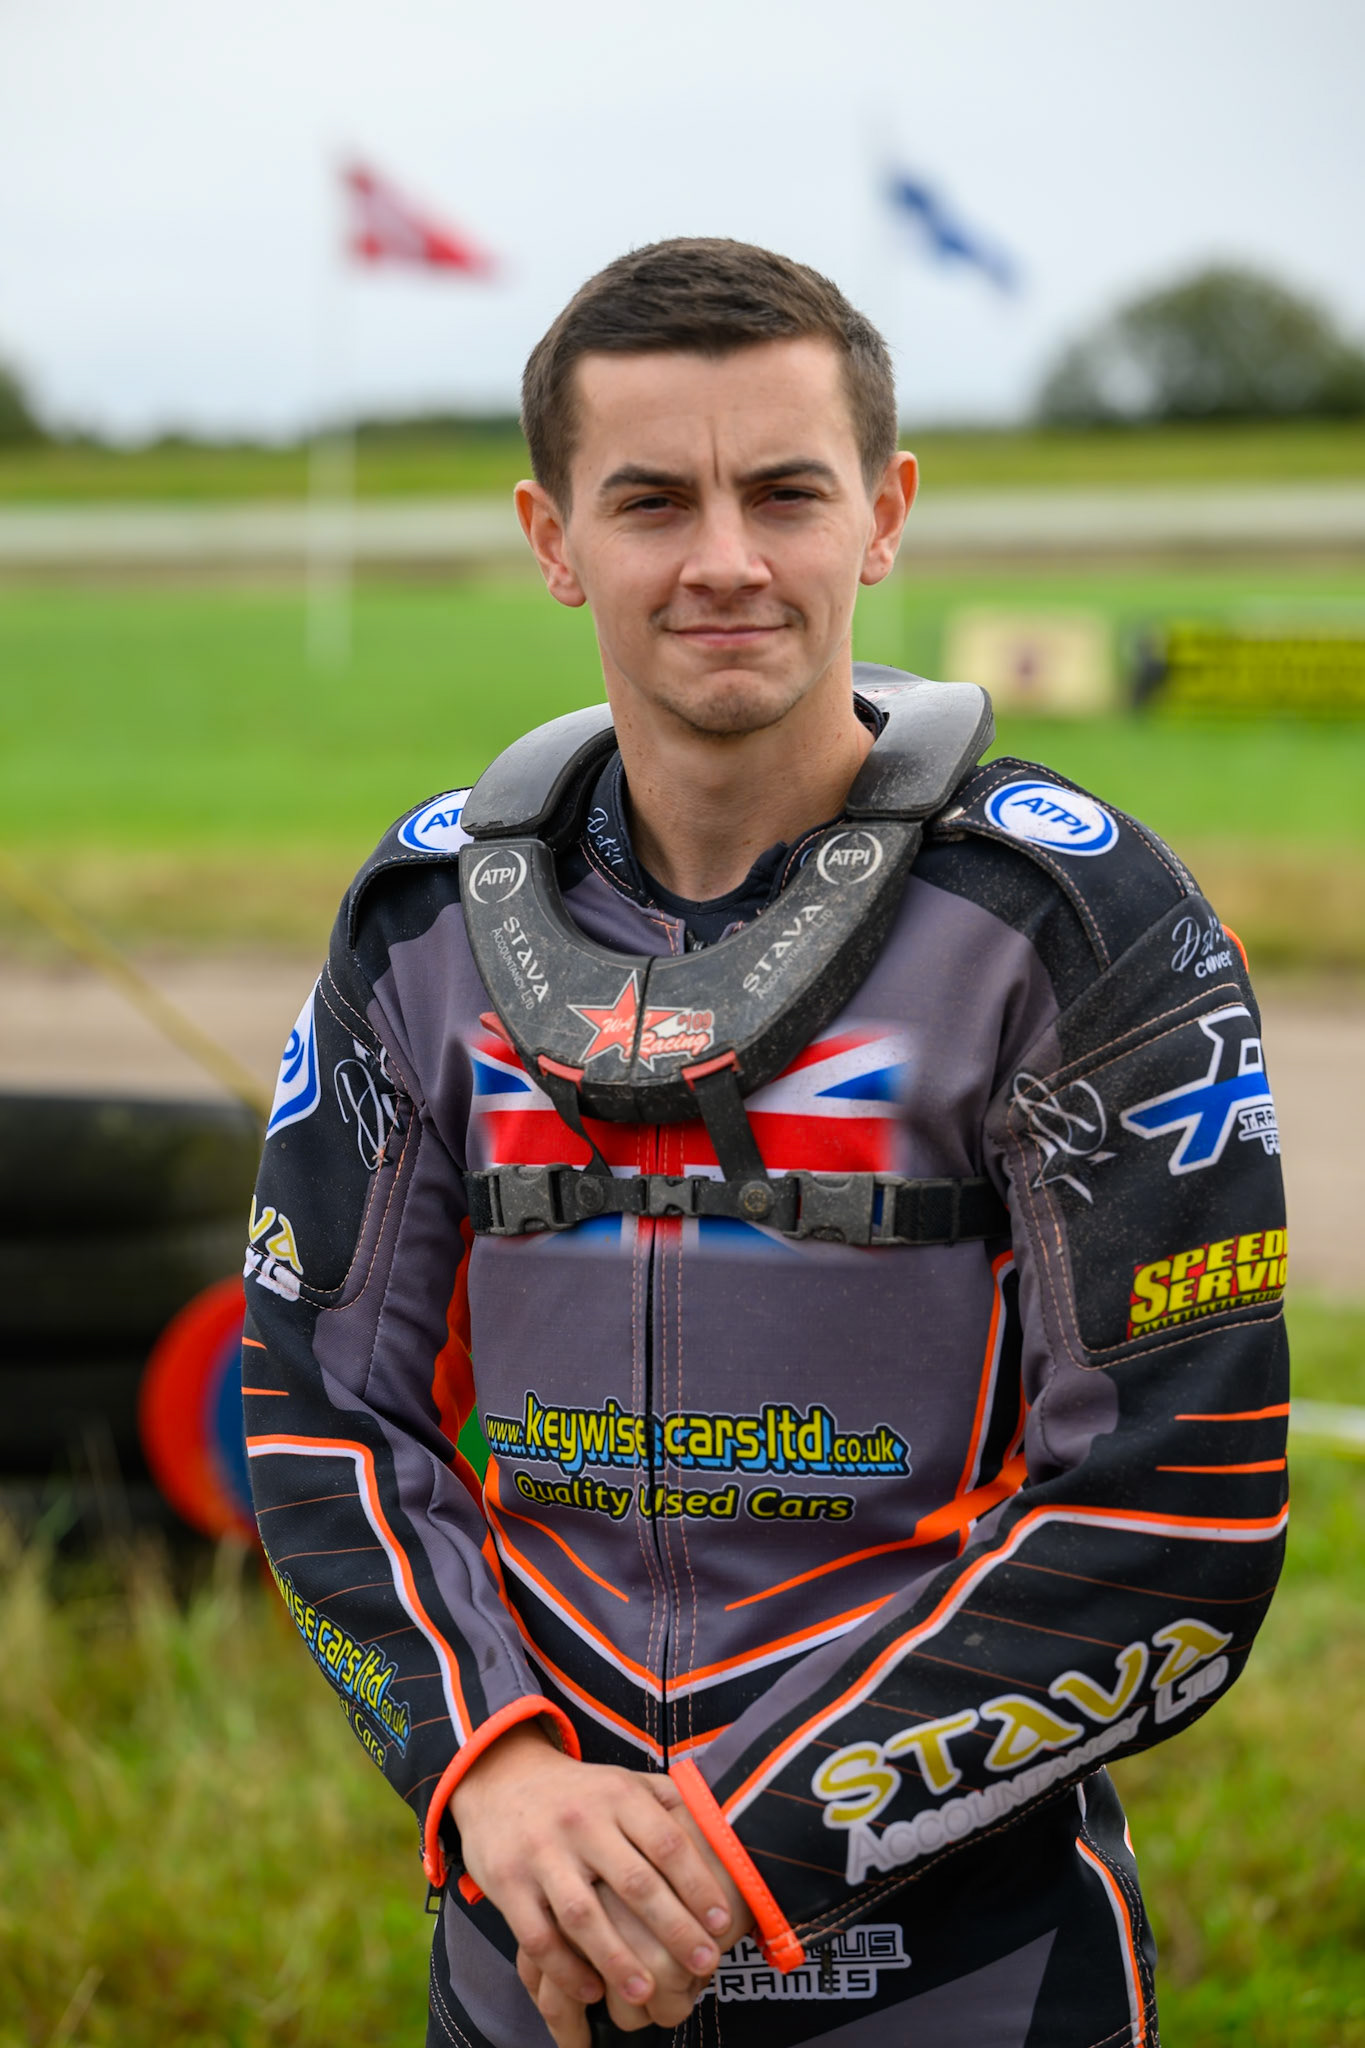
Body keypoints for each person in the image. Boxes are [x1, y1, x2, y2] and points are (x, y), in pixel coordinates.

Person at [243, 238, 1289, 2048]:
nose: (722, 559)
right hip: (530, 1931)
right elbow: (318, 1406)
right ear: (551, 536)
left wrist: (734, 1858)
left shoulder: (1077, 919)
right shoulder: (415, 921)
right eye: (648, 499)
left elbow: (1171, 1508)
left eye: (783, 491)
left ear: (879, 516)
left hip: (949, 1967)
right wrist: (494, 1777)